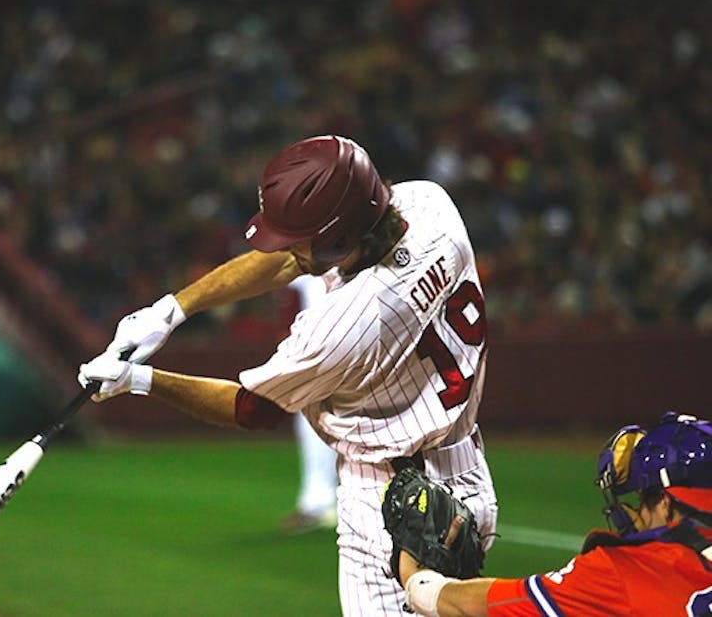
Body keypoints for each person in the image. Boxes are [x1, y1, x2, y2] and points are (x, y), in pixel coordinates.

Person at [78, 134, 498, 615]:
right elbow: (293, 256)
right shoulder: (430, 204)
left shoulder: (344, 324)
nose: (287, 250)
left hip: (394, 497)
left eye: (301, 239)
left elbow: (252, 409)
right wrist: (172, 310)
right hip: (465, 472)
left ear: (339, 238)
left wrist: (140, 380)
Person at [394, 411, 712, 617]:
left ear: (666, 503)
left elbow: (491, 606)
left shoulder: (624, 572)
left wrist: (418, 582)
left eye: (645, 498)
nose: (638, 511)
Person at [283, 274, 339, 533]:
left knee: (316, 423)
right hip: (334, 353)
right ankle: (323, 502)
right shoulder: (319, 260)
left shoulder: (323, 260)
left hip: (332, 354)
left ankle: (321, 504)